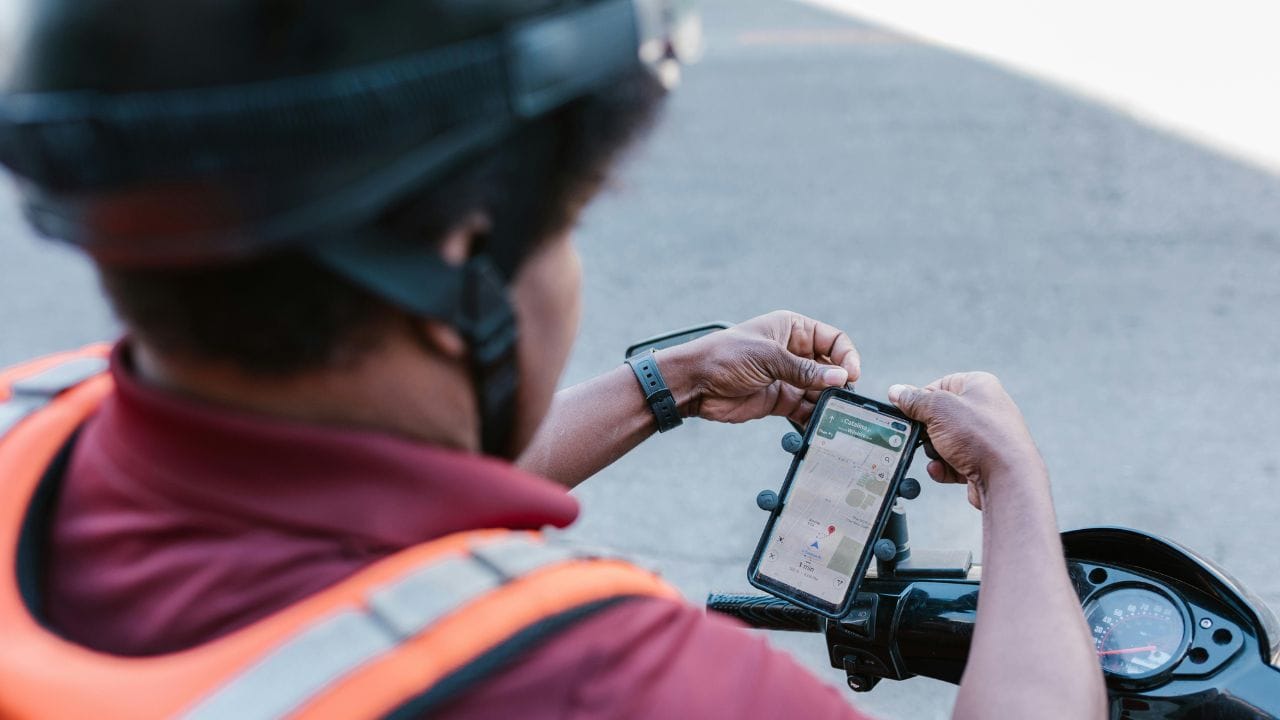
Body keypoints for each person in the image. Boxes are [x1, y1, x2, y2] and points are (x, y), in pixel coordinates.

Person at [0, 0, 1105, 718]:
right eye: (562, 230)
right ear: (460, 265)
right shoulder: (610, 687)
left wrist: (659, 387)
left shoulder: (28, 422)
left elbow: (334, 531)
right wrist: (1012, 487)